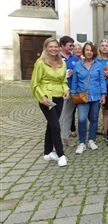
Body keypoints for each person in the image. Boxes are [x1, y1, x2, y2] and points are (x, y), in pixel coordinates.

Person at [30, 38, 70, 167]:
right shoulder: (40, 63)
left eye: (55, 46)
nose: (53, 49)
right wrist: (42, 97)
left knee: (51, 125)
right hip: (46, 98)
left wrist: (66, 90)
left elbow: (63, 81)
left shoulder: (62, 63)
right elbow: (35, 83)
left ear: (59, 48)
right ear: (46, 48)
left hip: (59, 97)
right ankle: (61, 154)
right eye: (50, 46)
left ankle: (47, 153)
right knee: (56, 126)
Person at [71, 42, 107, 154]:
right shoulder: (78, 65)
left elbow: (102, 81)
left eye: (91, 50)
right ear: (83, 51)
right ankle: (82, 142)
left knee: (94, 119)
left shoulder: (98, 65)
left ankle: (91, 140)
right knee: (81, 119)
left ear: (94, 52)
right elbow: (74, 82)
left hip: (95, 96)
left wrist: (104, 94)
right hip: (82, 96)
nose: (89, 52)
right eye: (87, 50)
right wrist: (73, 95)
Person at [58, 36, 78, 147]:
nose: (72, 47)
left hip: (72, 91)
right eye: (70, 45)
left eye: (72, 45)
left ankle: (65, 137)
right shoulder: (57, 57)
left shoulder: (74, 58)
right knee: (59, 116)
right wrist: (64, 73)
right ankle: (55, 141)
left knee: (69, 116)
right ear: (62, 45)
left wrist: (74, 72)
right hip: (60, 91)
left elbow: (78, 71)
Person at [70, 43, 83, 137]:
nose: (78, 50)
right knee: (72, 110)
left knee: (84, 109)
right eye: (76, 49)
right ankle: (72, 129)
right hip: (73, 87)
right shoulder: (71, 60)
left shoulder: (83, 60)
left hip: (82, 88)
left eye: (79, 49)